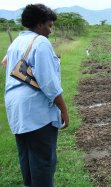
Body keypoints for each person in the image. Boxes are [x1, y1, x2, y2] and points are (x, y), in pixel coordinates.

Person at [4, 4, 69, 187]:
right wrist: (63, 109)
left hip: (16, 109)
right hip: (36, 111)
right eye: (49, 25)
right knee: (43, 161)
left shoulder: (16, 42)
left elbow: (6, 63)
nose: (50, 30)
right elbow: (49, 84)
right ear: (39, 24)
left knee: (26, 157)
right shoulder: (41, 42)